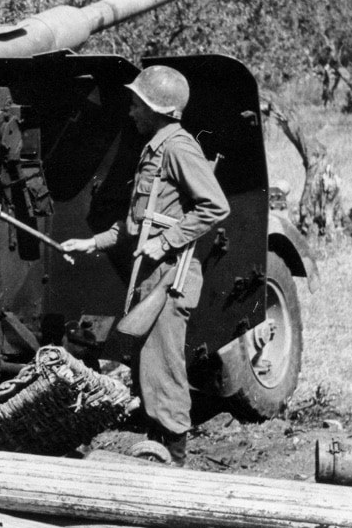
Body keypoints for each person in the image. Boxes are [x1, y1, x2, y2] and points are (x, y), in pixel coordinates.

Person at [60, 65, 230, 464]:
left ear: (157, 108)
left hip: (171, 276)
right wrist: (94, 242)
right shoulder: (154, 147)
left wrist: (165, 242)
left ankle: (174, 456)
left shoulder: (177, 147)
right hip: (153, 275)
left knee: (164, 365)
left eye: (137, 103)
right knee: (148, 365)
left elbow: (215, 206)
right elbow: (139, 222)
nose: (131, 110)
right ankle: (158, 447)